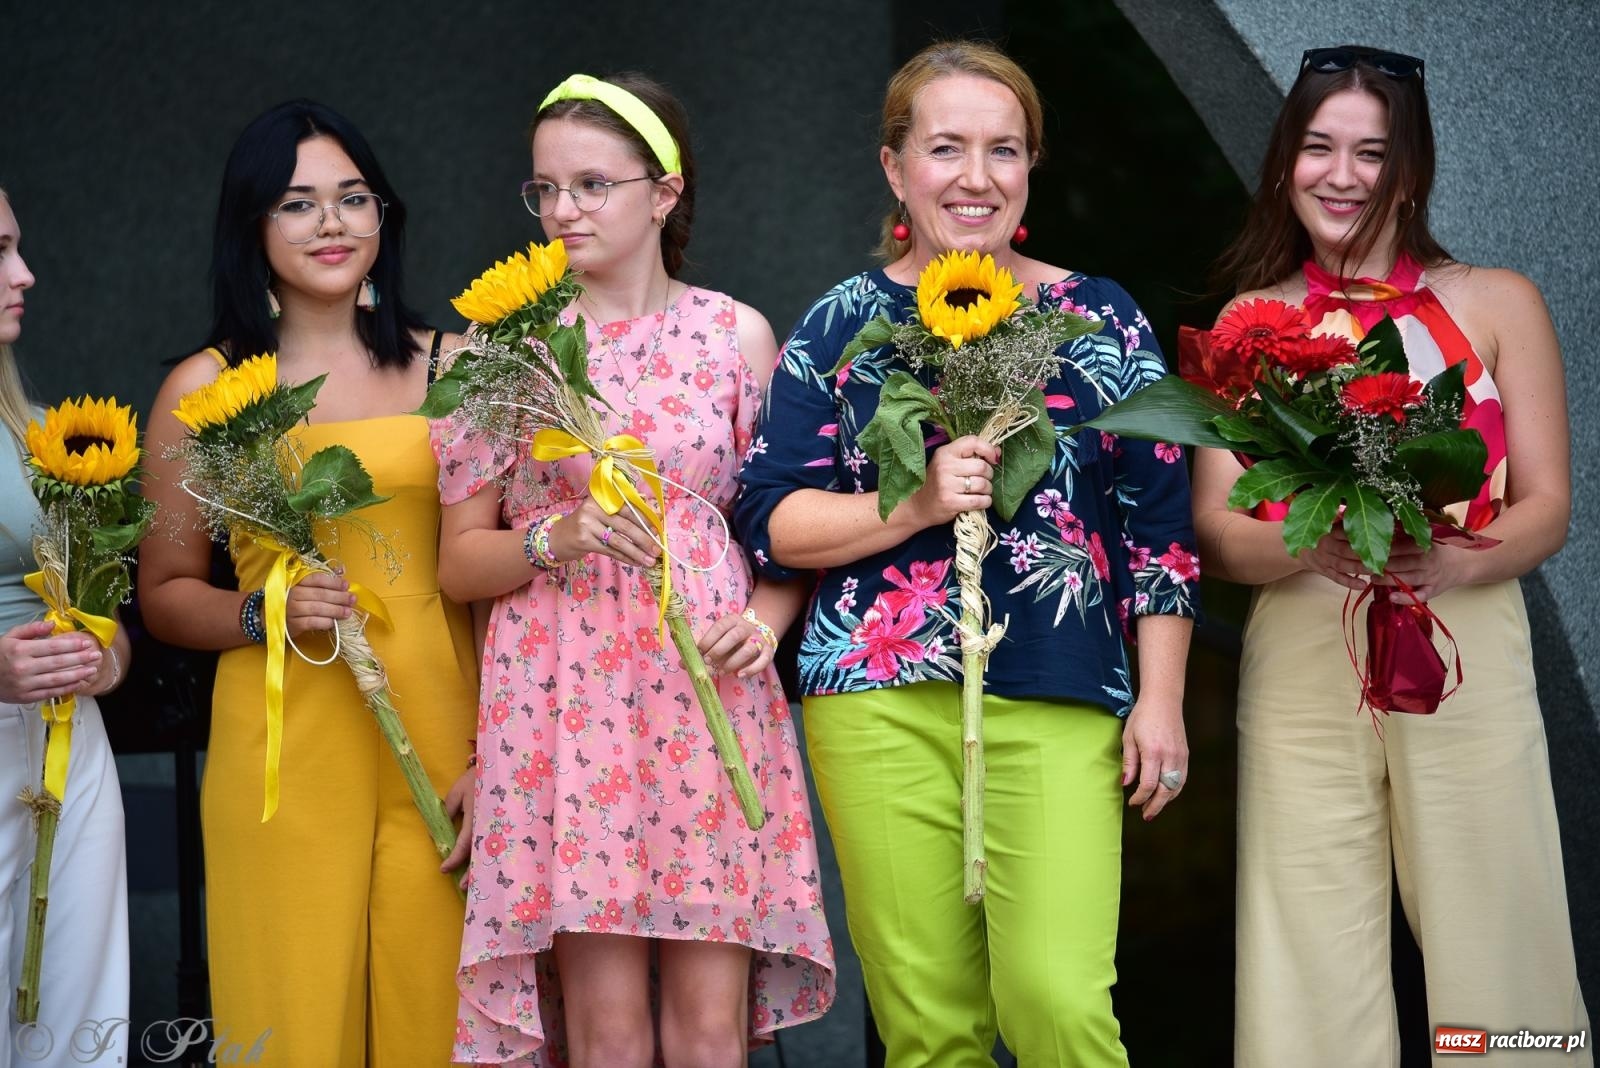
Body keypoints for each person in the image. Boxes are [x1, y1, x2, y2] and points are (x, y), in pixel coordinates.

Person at [734, 40, 1196, 1067]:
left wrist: (1159, 701)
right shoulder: (838, 325)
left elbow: (1159, 528)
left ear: (1031, 168)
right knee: (928, 1030)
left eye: (1004, 150)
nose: (976, 177)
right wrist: (910, 507)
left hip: (1058, 684)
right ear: (895, 168)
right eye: (946, 148)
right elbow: (768, 518)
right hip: (875, 693)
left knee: (1059, 1003)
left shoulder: (1098, 318)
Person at [1193, 45, 1591, 1067]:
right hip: (1302, 639)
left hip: (1463, 629)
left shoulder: (1498, 300)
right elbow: (1218, 536)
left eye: (1371, 153)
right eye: (1318, 147)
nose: (1342, 174)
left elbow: (1547, 506)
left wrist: (1458, 560)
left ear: (1408, 171)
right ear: (1285, 163)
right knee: (1304, 922)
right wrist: (1308, 538)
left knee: (1495, 913)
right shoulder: (1249, 319)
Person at [433, 72, 834, 1068]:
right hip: (564, 697)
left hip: (708, 692)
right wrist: (551, 540)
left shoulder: (734, 335)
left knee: (707, 1031)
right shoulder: (502, 350)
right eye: (545, 189)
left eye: (592, 185)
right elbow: (458, 562)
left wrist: (772, 619)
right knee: (605, 1034)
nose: (563, 211)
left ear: (664, 192)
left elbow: (779, 526)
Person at [138, 101, 478, 1066]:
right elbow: (165, 591)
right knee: (290, 1023)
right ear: (252, 224)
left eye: (351, 198)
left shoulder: (452, 364)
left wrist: (505, 755)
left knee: (437, 1023)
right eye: (296, 204)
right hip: (286, 736)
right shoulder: (207, 387)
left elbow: (495, 586)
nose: (331, 224)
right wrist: (263, 609)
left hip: (446, 742)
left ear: (384, 216)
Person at [0, 188, 130, 1068]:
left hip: (65, 743)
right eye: (1, 251)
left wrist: (102, 662)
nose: (26, 274)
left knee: (74, 1022)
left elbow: (113, 626)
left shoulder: (47, 437)